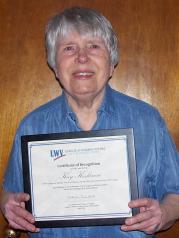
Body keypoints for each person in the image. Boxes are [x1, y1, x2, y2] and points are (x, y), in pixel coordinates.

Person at [1, 6, 179, 238]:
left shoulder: (148, 121)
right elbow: (9, 192)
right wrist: (8, 204)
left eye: (93, 46)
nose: (82, 57)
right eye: (69, 48)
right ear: (54, 66)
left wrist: (164, 214)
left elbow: (175, 193)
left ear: (112, 62)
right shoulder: (32, 126)